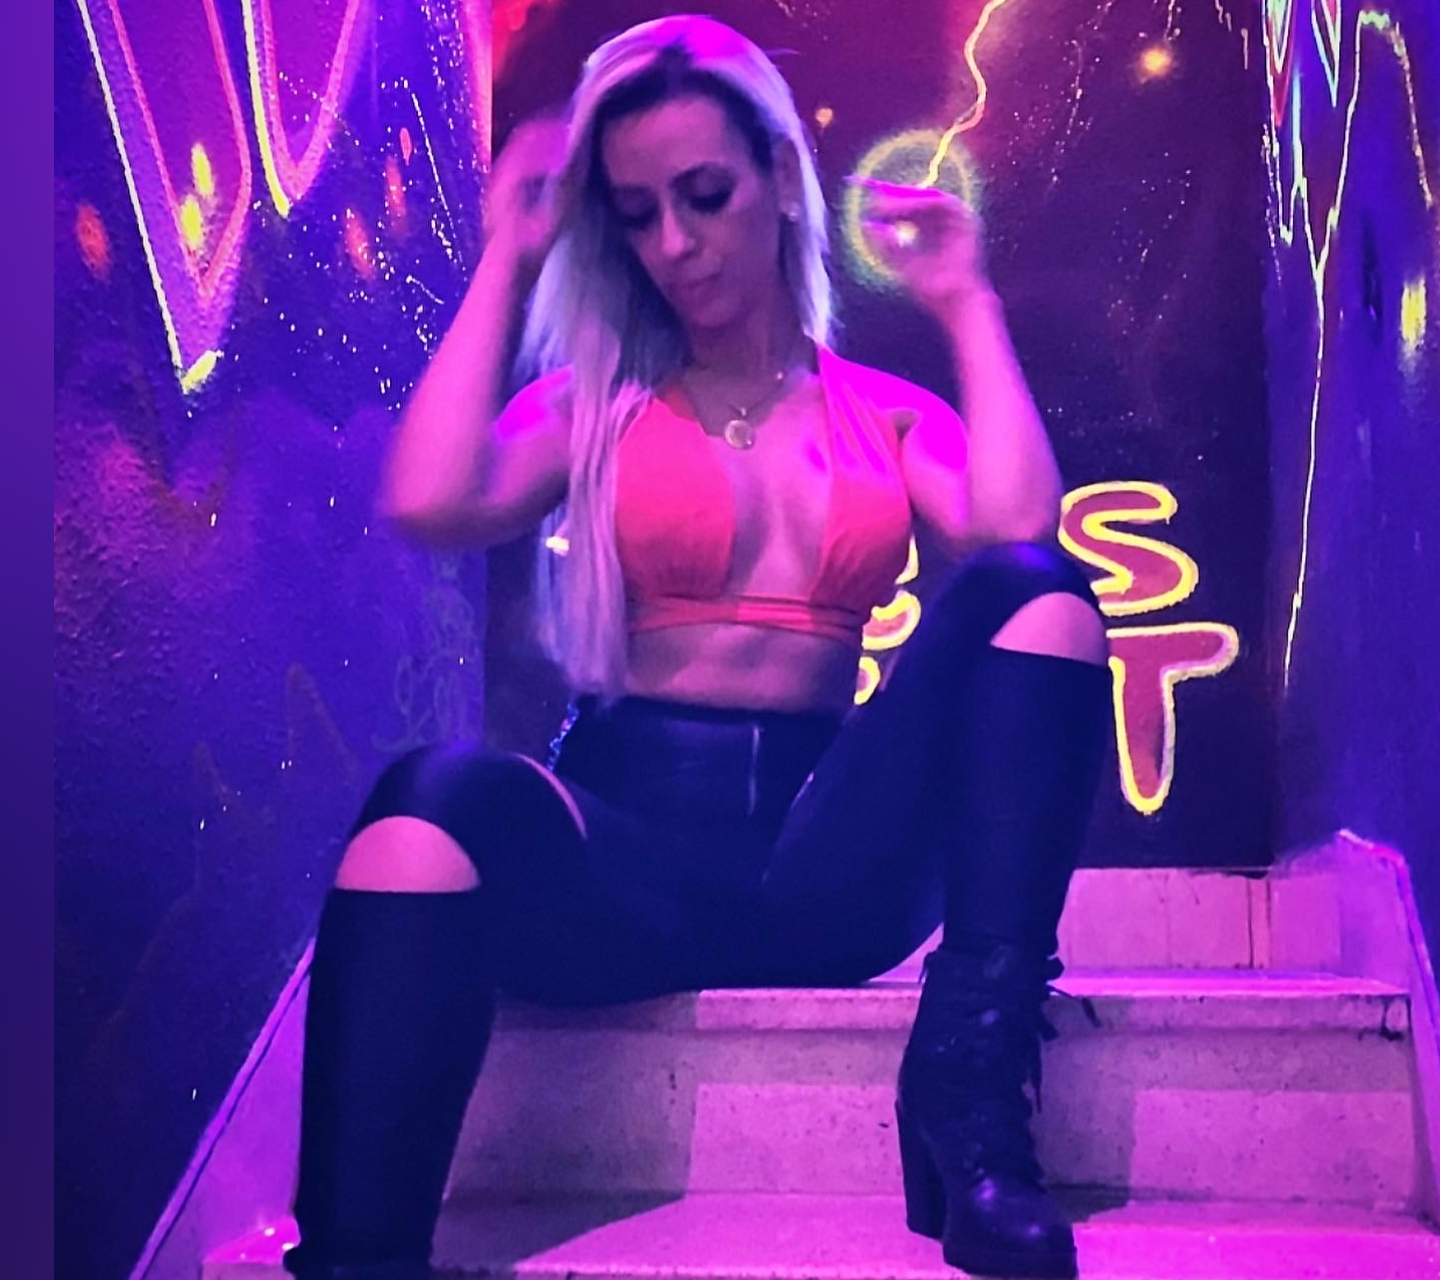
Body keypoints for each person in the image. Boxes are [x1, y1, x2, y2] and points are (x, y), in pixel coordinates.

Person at [283, 15, 1110, 1280]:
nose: (674, 243)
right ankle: (355, 1258)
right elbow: (432, 495)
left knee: (1040, 593)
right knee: (424, 804)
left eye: (705, 195)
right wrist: (509, 256)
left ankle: (972, 1099)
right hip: (627, 862)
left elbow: (1015, 526)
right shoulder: (597, 403)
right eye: (638, 213)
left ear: (780, 177)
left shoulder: (885, 416)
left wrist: (966, 301)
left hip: (828, 862)